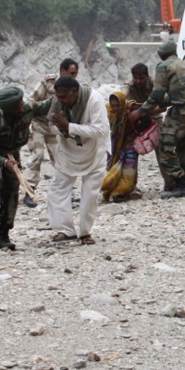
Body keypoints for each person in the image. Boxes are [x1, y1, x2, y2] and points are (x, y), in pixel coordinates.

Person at [0, 86, 52, 250]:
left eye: (21, 103)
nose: (21, 106)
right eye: (17, 106)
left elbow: (47, 105)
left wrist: (65, 89)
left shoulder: (27, 109)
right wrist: (3, 162)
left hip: (13, 154)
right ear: (8, 109)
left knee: (11, 191)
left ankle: (3, 234)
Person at [128, 40, 185, 199]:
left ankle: (179, 184)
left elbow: (156, 95)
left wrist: (140, 111)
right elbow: (181, 93)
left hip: (181, 112)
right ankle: (181, 183)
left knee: (165, 145)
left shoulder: (163, 67)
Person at [47, 76, 110, 245]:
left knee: (90, 193)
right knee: (58, 189)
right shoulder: (57, 102)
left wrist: (68, 126)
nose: (60, 101)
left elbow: (100, 129)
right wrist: (62, 128)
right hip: (68, 151)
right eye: (58, 97)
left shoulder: (94, 99)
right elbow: (52, 127)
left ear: (74, 92)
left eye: (63, 97)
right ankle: (65, 230)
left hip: (95, 151)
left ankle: (85, 232)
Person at [23, 58, 79, 208]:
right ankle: (29, 192)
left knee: (61, 159)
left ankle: (67, 193)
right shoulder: (48, 82)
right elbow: (31, 101)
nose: (73, 76)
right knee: (37, 156)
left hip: (55, 127)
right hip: (39, 124)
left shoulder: (74, 87)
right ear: (62, 71)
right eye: (71, 73)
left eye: (75, 74)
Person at [100, 90, 150, 202]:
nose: (116, 108)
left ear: (122, 103)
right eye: (113, 105)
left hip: (129, 142)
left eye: (118, 105)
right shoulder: (109, 110)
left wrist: (135, 133)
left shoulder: (132, 109)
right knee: (114, 166)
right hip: (116, 143)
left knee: (129, 166)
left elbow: (147, 120)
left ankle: (126, 189)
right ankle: (117, 190)